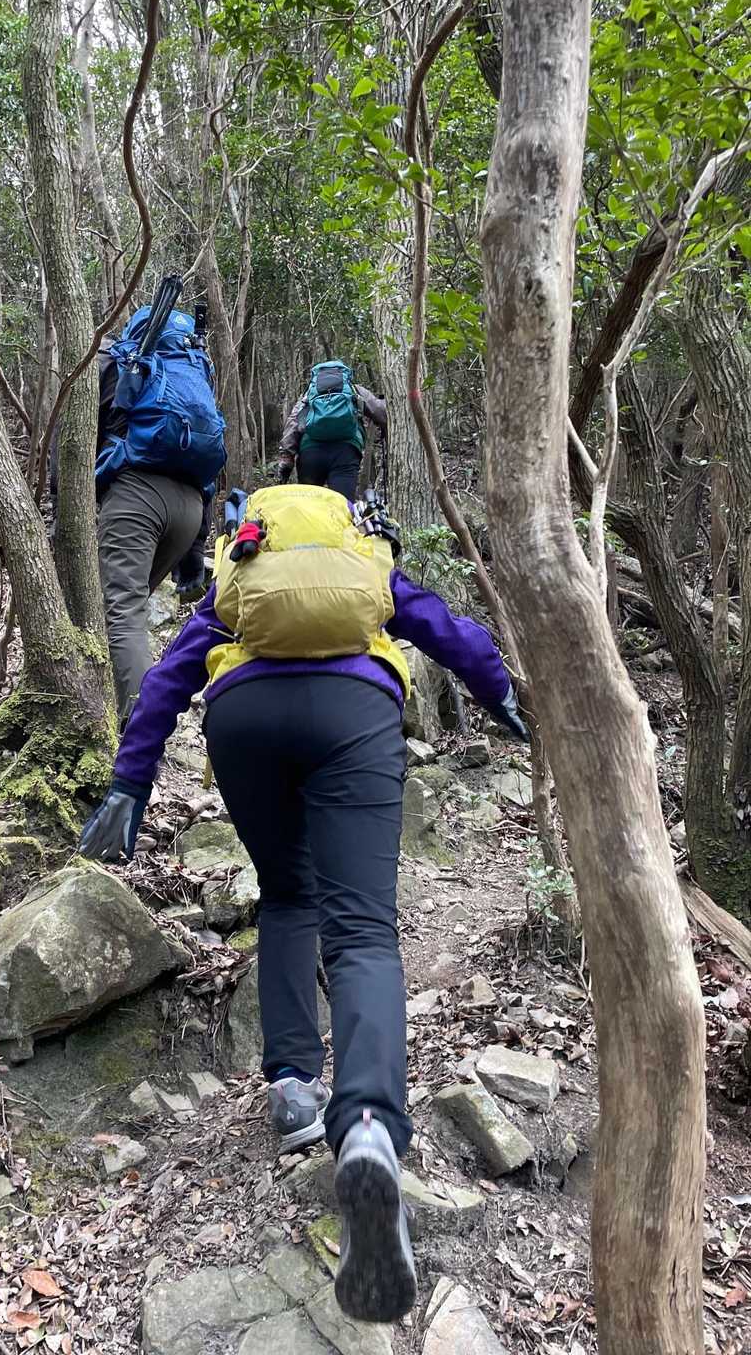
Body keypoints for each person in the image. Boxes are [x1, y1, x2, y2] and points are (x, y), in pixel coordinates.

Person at [79, 483, 527, 1324]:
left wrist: (130, 782)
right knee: (363, 932)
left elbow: (171, 674)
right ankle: (369, 1129)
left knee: (287, 894)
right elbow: (441, 625)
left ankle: (292, 1087)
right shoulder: (362, 564)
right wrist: (499, 691)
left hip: (244, 719)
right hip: (354, 710)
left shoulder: (243, 574)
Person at [95, 296, 225, 720]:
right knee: (121, 609)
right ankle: (110, 705)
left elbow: (75, 447)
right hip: (189, 508)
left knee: (122, 612)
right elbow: (208, 465)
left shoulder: (119, 364)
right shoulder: (193, 375)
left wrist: (63, 510)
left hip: (136, 497)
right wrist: (196, 549)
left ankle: (137, 732)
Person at [277, 360, 387, 499]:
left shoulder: (309, 395)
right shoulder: (354, 390)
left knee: (309, 506)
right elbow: (380, 412)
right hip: (345, 452)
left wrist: (286, 457)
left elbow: (293, 422)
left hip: (311, 453)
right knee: (343, 503)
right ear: (345, 374)